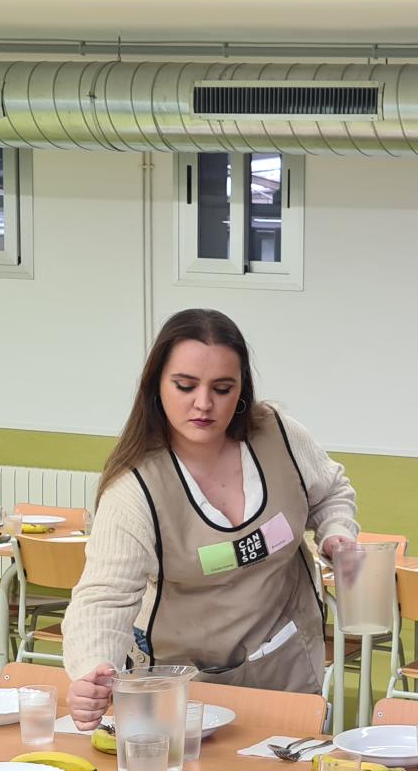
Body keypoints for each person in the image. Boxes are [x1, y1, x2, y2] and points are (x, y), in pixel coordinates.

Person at [64, 309, 358, 727]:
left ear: (241, 389)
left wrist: (335, 533)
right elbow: (104, 598)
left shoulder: (279, 435)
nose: (203, 404)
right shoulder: (136, 488)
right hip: (182, 685)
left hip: (287, 665)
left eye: (222, 388)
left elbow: (330, 492)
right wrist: (93, 669)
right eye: (185, 386)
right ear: (155, 386)